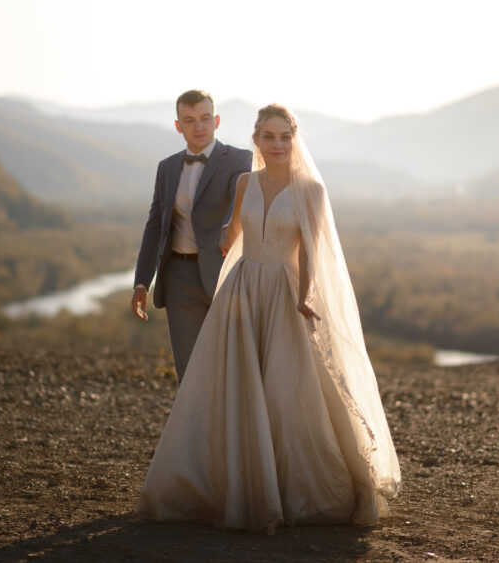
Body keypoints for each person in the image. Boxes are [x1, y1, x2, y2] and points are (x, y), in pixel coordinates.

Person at [137, 104, 400, 532]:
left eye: (285, 137)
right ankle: (230, 484)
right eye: (269, 136)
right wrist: (222, 237)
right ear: (256, 140)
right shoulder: (245, 183)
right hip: (242, 290)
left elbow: (312, 255)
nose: (277, 144)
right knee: (232, 385)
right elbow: (235, 232)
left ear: (294, 141)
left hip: (284, 294)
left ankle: (290, 488)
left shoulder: (310, 190)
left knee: (285, 390)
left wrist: (305, 298)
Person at [132, 90, 253, 382]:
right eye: (189, 120)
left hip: (226, 274)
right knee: (189, 369)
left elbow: (239, 204)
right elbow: (154, 227)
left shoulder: (240, 159)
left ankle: (231, 427)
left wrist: (229, 228)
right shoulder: (167, 167)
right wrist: (141, 282)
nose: (198, 126)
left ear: (217, 121)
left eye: (205, 118)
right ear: (178, 126)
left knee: (232, 365)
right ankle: (196, 427)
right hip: (178, 277)